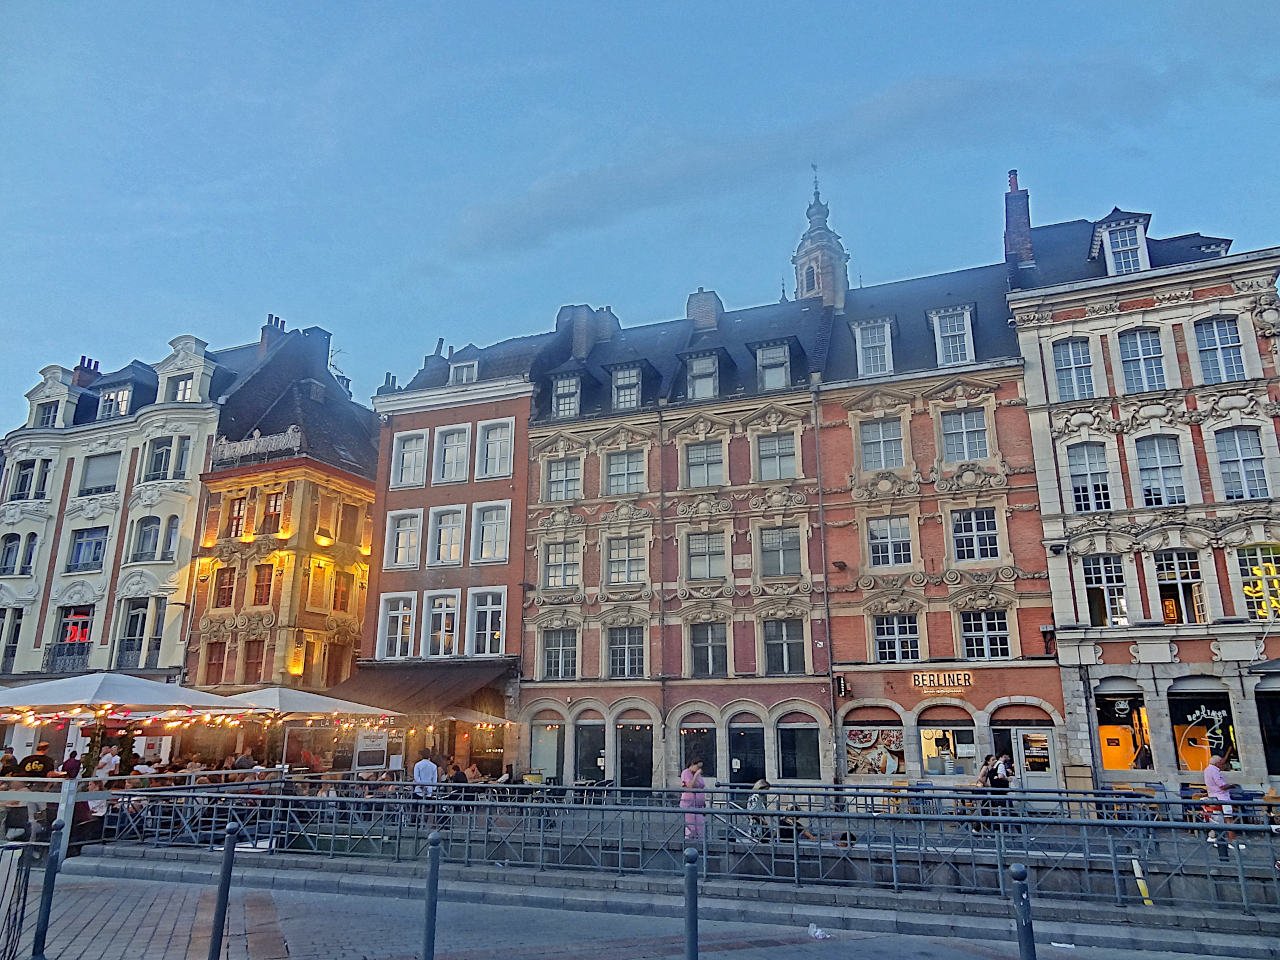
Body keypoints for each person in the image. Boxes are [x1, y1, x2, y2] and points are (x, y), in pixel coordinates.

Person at [1203, 754, 1240, 859]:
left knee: (1217, 819)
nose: (1223, 764)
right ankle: (1231, 841)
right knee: (1228, 819)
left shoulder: (1207, 770)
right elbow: (1222, 786)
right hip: (1222, 797)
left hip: (1213, 796)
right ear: (1217, 763)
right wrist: (1232, 785)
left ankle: (1214, 837)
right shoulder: (1215, 771)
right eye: (1221, 762)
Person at [679, 758, 706, 841]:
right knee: (691, 828)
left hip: (699, 806)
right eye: (698, 766)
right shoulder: (686, 773)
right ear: (692, 764)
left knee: (700, 827)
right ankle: (689, 845)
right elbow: (690, 786)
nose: (699, 769)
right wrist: (696, 775)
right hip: (689, 804)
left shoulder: (698, 775)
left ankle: (701, 845)